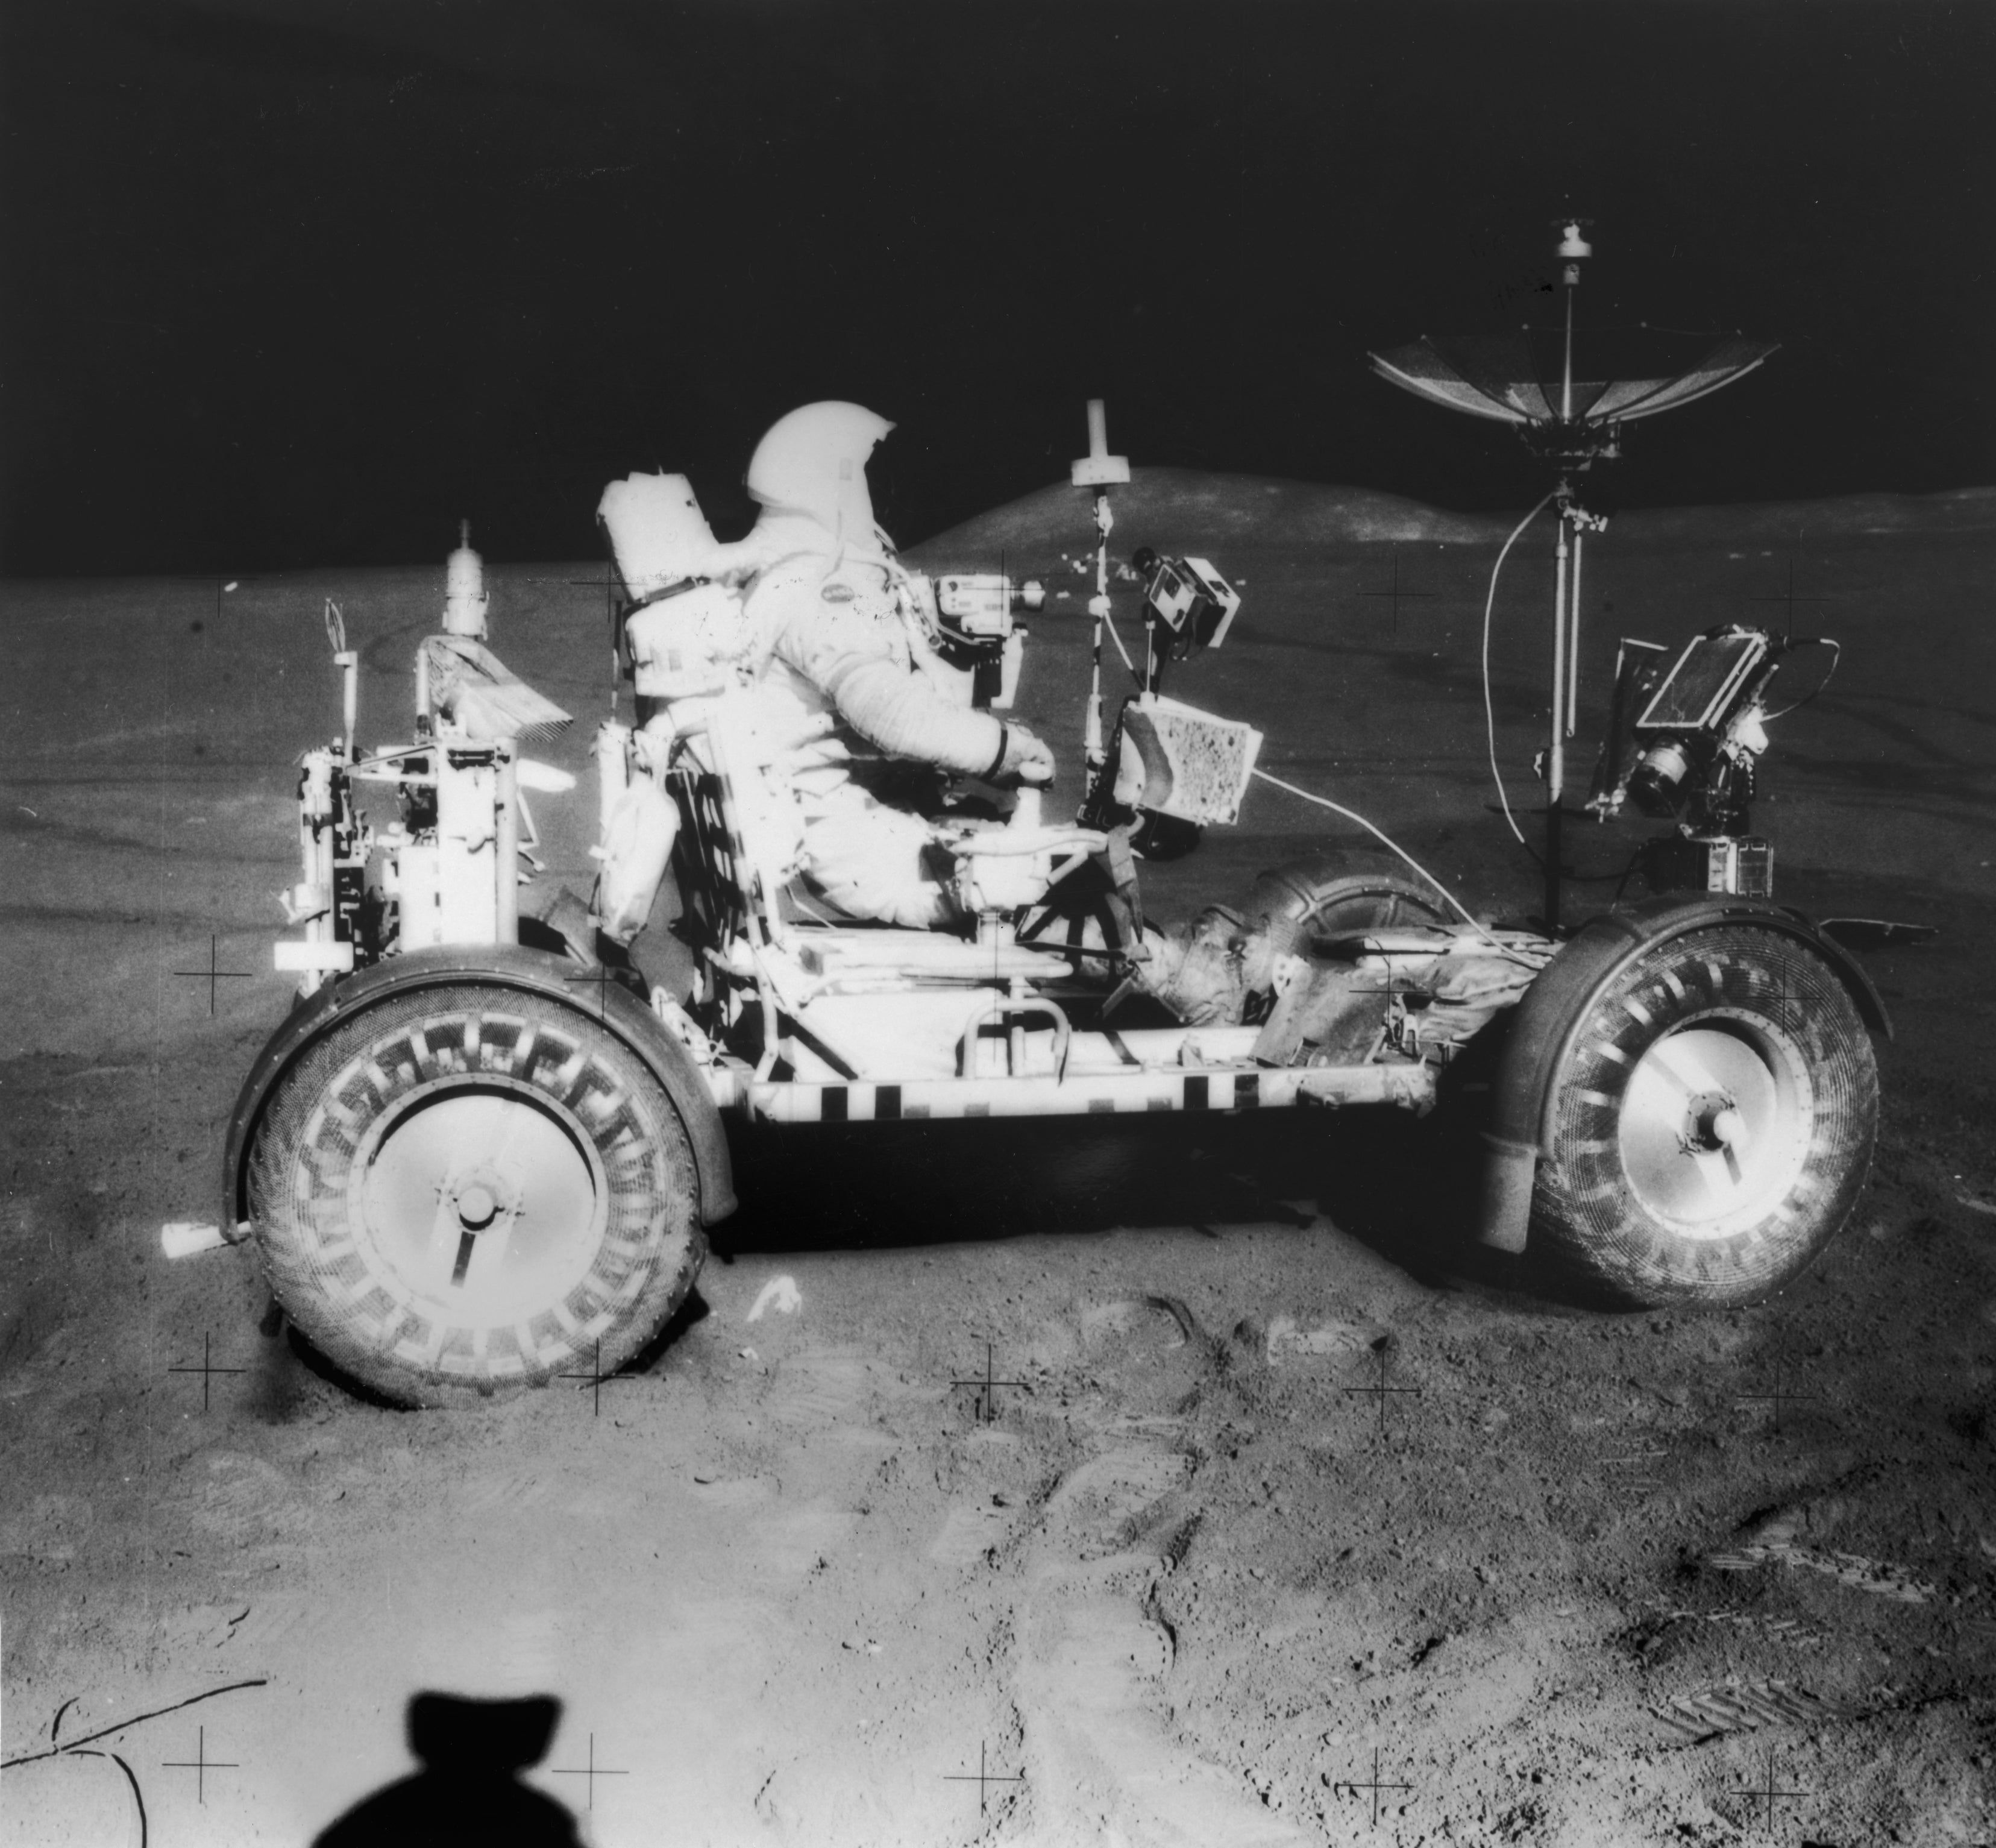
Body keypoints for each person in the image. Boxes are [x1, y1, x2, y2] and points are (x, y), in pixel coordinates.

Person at [725, 401, 1053, 929]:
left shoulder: (781, 575)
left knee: (1012, 839)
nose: (883, 499)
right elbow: (893, 717)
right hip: (860, 845)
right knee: (1057, 881)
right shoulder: (817, 586)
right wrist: (1009, 751)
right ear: (836, 487)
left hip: (848, 822)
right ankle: (1200, 990)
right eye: (871, 481)